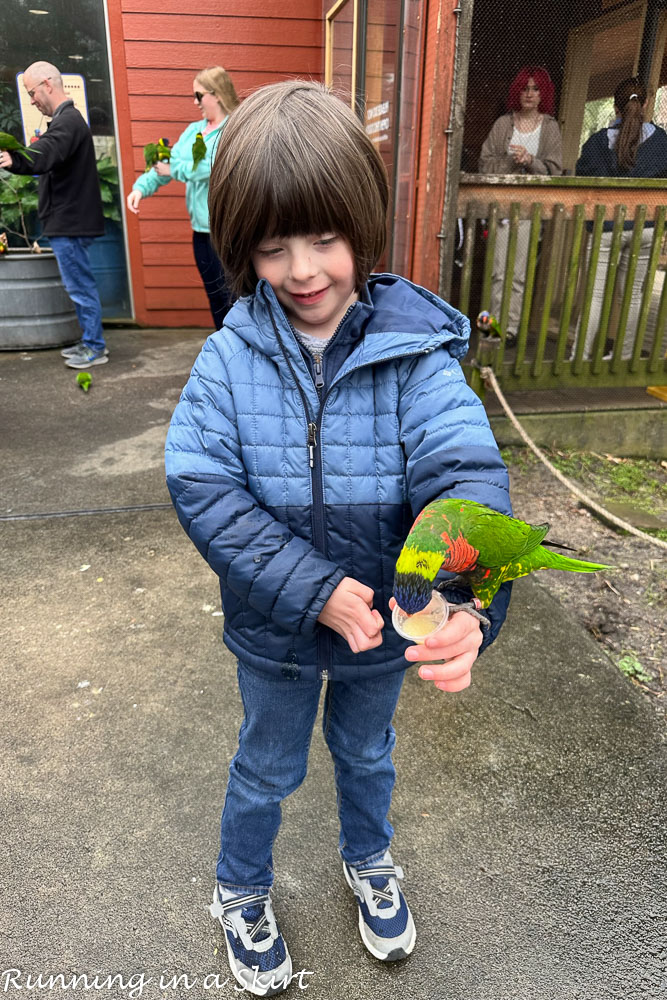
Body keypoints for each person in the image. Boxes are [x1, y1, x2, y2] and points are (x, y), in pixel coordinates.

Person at [165, 80, 512, 995]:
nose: (302, 269)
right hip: (276, 632)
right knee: (265, 764)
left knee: (367, 754)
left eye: (323, 237)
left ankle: (370, 860)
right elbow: (200, 485)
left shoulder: (416, 356)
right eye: (272, 247)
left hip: (381, 637)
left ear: (362, 224)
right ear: (242, 249)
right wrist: (311, 586)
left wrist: (463, 599)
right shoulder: (229, 357)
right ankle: (239, 889)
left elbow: (464, 478)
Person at [0, 61, 108, 368]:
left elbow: (45, 152)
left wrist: (13, 158)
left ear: (48, 84)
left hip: (70, 224)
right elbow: (48, 153)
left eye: (32, 92)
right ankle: (89, 341)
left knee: (80, 286)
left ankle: (95, 347)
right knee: (79, 284)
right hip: (68, 222)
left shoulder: (69, 122)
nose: (32, 100)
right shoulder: (67, 121)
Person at [126, 66, 238, 330]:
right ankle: (227, 354)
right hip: (201, 233)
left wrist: (175, 170)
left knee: (234, 299)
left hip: (228, 232)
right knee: (216, 299)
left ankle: (245, 354)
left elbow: (214, 166)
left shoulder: (234, 129)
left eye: (198, 96)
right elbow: (169, 162)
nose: (195, 102)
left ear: (217, 94)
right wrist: (141, 187)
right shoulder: (193, 130)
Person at [575, 77, 667, 360]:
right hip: (646, 229)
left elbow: (582, 181)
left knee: (595, 295)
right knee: (635, 296)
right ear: (646, 104)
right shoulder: (663, 143)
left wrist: (592, 224)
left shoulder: (597, 143)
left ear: (615, 107)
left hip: (606, 228)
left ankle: (581, 356)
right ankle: (625, 358)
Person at [479, 66, 562, 345]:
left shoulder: (550, 127)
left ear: (543, 94)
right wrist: (512, 161)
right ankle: (490, 329)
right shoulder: (503, 123)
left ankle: (511, 330)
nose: (529, 93)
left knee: (519, 274)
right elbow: (484, 163)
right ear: (518, 91)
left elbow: (555, 170)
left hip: (530, 211)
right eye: (525, 88)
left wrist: (532, 161)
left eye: (536, 88)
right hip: (501, 209)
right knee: (497, 271)